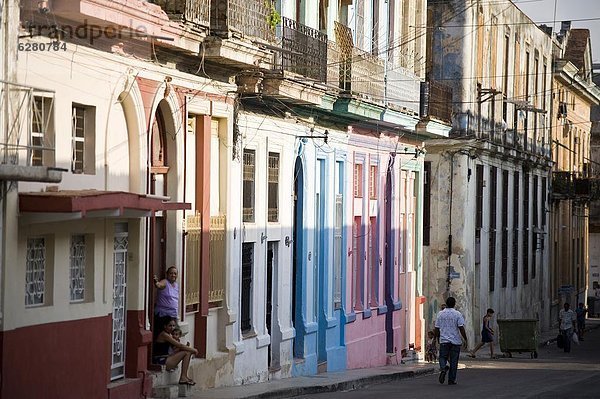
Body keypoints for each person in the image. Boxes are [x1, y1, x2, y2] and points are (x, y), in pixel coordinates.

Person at [153, 317, 199, 385]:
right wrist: (194, 350)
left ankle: (184, 376)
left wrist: (186, 347)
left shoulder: (170, 334)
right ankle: (183, 377)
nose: (172, 328)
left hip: (167, 358)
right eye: (170, 326)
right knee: (187, 352)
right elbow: (180, 345)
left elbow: (177, 348)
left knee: (187, 351)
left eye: (173, 326)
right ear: (165, 326)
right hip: (161, 360)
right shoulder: (164, 334)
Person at [434, 297, 468, 386]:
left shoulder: (440, 314)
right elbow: (461, 327)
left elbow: (436, 328)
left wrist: (436, 338)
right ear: (454, 304)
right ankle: (451, 380)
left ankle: (443, 368)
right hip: (455, 341)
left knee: (442, 357)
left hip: (444, 340)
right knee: (453, 361)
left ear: (446, 303)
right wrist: (465, 338)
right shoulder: (457, 314)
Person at [154, 266, 180, 336]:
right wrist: (157, 283)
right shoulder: (165, 282)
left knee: (175, 335)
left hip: (173, 315)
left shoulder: (176, 285)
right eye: (171, 273)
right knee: (165, 336)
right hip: (164, 316)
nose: (173, 275)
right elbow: (160, 285)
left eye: (175, 273)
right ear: (167, 274)